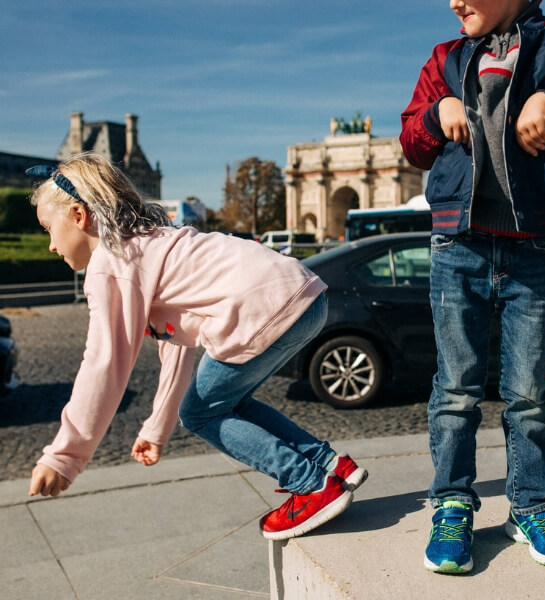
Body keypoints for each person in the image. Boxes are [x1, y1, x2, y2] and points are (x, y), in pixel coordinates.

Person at [400, 0, 545, 573]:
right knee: (455, 390)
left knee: (529, 391)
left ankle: (530, 504)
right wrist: (437, 112)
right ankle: (451, 503)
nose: (453, 1)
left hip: (536, 246)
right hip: (457, 245)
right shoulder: (444, 58)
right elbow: (411, 143)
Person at [26, 153, 368, 542]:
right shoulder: (149, 242)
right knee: (225, 404)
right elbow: (176, 347)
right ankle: (331, 466)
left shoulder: (112, 261)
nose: (51, 245)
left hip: (261, 307)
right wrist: (156, 428)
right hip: (304, 294)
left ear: (77, 215)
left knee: (202, 413)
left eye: (47, 228)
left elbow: (104, 363)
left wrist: (64, 456)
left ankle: (310, 484)